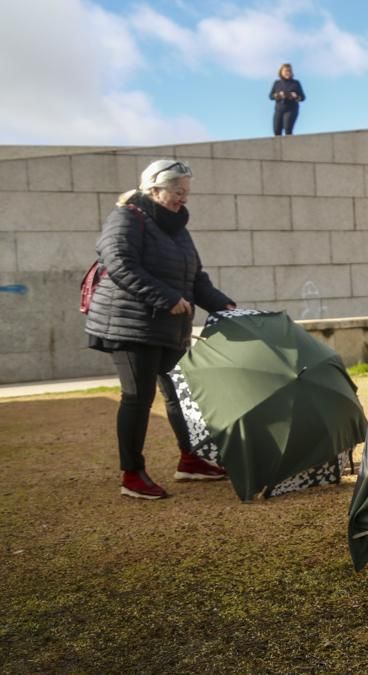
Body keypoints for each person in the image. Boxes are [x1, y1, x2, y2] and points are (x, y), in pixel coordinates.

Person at [84, 159, 237, 500]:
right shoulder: (127, 217)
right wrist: (165, 297)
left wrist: (225, 306)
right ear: (154, 189)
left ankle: (191, 459)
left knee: (179, 394)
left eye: (186, 192)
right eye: (177, 191)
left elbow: (195, 279)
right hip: (130, 325)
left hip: (169, 327)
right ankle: (132, 475)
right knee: (138, 398)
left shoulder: (178, 229)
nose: (183, 198)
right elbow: (120, 263)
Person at [269, 63, 305, 136]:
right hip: (279, 109)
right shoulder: (277, 83)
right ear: (281, 72)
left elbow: (303, 98)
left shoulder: (295, 83)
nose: (288, 73)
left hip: (291, 109)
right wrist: (278, 95)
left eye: (289, 71)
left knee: (287, 128)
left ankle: (290, 145)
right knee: (276, 130)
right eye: (286, 71)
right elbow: (270, 96)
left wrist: (295, 96)